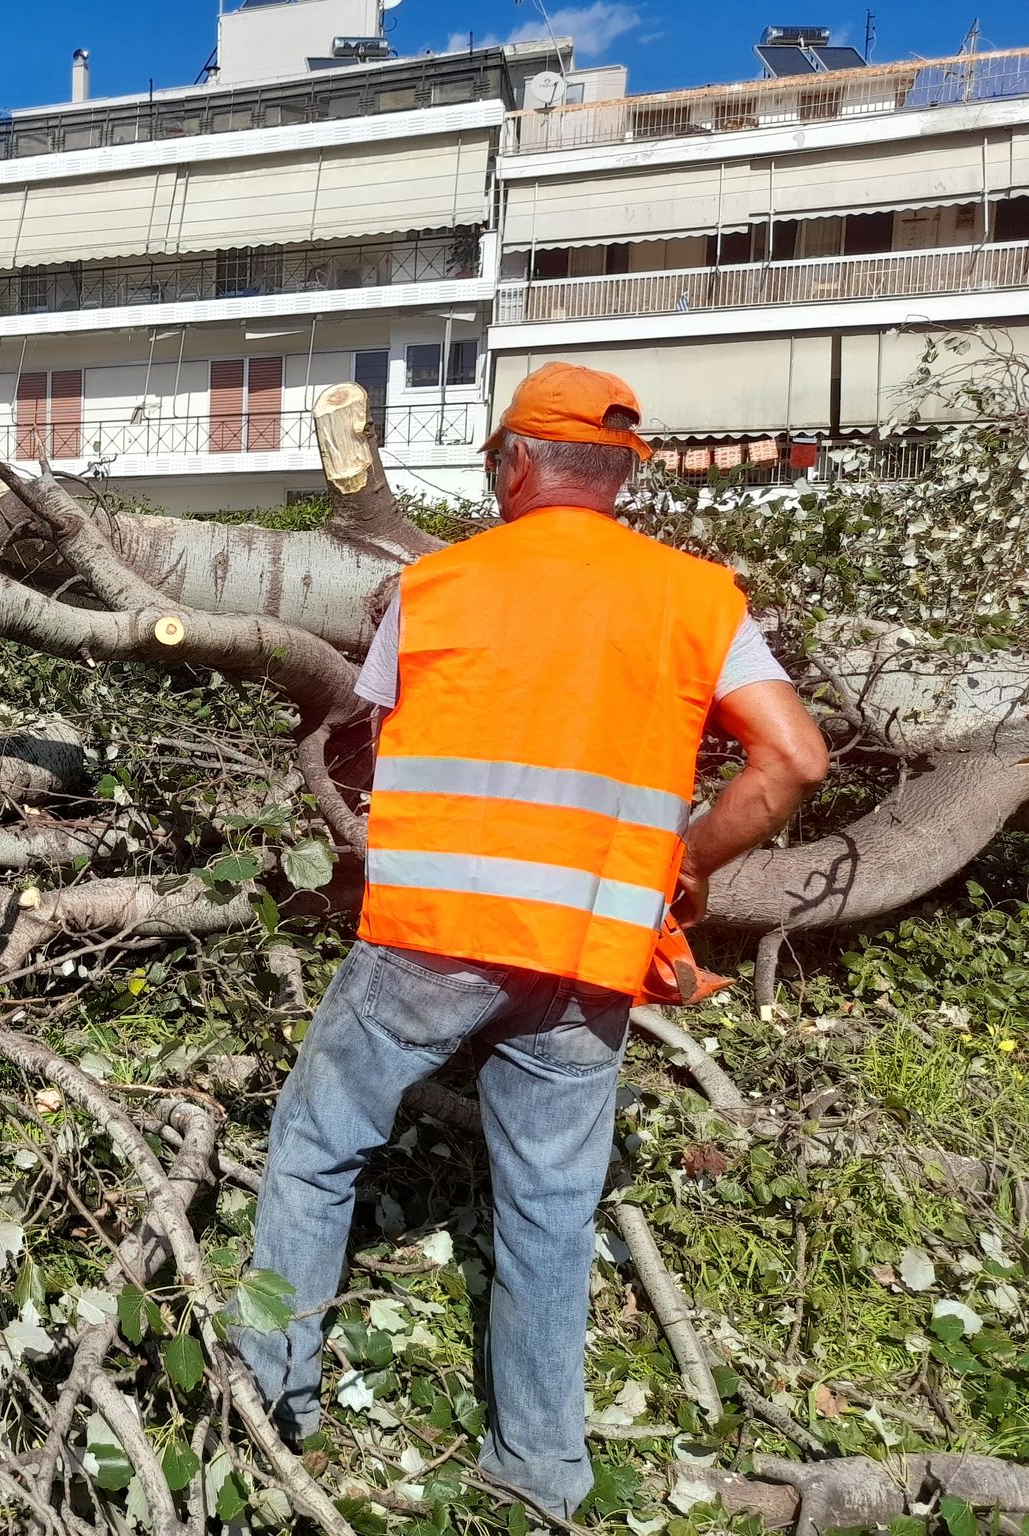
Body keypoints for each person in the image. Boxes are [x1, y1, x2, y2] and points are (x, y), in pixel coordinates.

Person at [237, 362, 829, 1517]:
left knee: (315, 1152)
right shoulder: (697, 598)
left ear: (512, 462)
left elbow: (365, 734)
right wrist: (690, 863)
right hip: (589, 956)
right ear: (617, 473)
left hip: (426, 938)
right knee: (552, 1209)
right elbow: (794, 760)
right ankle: (541, 1470)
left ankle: (268, 1414)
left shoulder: (438, 583)